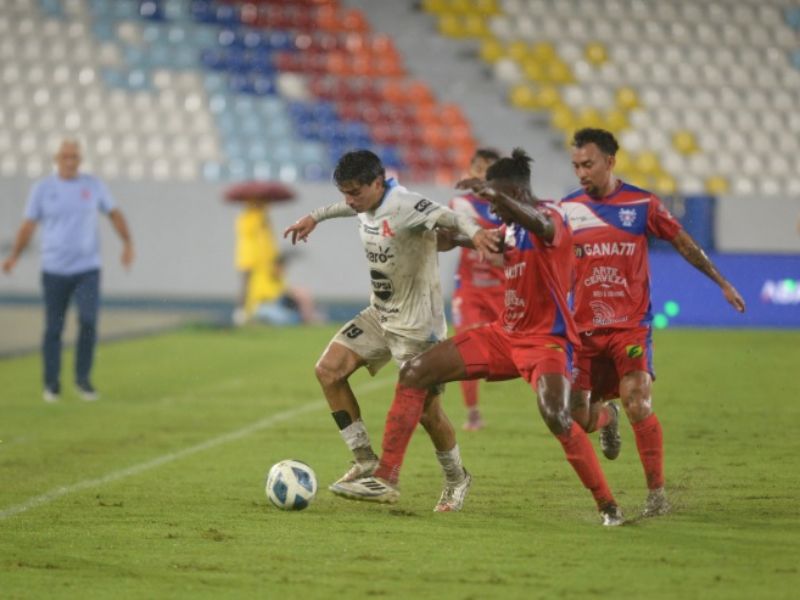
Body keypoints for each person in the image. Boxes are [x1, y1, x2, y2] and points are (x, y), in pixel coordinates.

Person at [333, 149, 625, 526]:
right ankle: (385, 477)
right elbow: (480, 238)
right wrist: (446, 237)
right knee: (415, 373)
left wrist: (492, 196)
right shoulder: (510, 226)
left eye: (497, 202)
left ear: (515, 194)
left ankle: (607, 503)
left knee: (558, 415)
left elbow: (539, 225)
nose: (493, 213)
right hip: (504, 336)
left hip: (547, 343)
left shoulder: (551, 216)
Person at [283, 150, 498, 512]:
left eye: (355, 192)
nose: (349, 201)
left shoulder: (406, 204)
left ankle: (457, 477)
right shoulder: (364, 203)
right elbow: (345, 208)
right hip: (380, 314)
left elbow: (453, 218)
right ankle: (365, 459)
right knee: (328, 370)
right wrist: (315, 217)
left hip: (418, 328)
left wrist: (476, 236)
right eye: (345, 193)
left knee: (430, 414)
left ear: (377, 183)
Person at [561, 128, 746, 517]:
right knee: (577, 417)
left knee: (638, 401)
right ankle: (606, 417)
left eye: (588, 164)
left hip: (631, 326)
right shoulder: (567, 209)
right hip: (584, 331)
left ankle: (656, 495)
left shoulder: (642, 203)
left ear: (610, 162)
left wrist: (722, 282)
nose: (581, 173)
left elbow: (683, 242)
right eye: (576, 165)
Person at [2, 139, 134, 402]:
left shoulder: (93, 186)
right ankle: (51, 384)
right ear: (56, 159)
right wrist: (14, 255)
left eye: (74, 157)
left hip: (87, 268)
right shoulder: (42, 189)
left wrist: (127, 243)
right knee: (54, 327)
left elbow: (115, 214)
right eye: (66, 157)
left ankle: (82, 380)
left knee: (88, 320)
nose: (70, 162)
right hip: (54, 269)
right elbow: (28, 225)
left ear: (80, 160)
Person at [449, 147, 505, 431]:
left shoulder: (509, 207)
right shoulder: (460, 205)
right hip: (469, 288)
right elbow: (448, 235)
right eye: (478, 168)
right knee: (467, 347)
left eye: (489, 169)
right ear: (471, 170)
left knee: (522, 352)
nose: (482, 174)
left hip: (505, 289)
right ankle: (472, 413)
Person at [232, 196, 320, 326]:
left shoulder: (263, 236)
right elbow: (247, 273)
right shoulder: (254, 238)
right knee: (291, 318)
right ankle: (254, 319)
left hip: (273, 298)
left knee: (301, 298)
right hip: (262, 303)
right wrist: (242, 308)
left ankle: (307, 318)